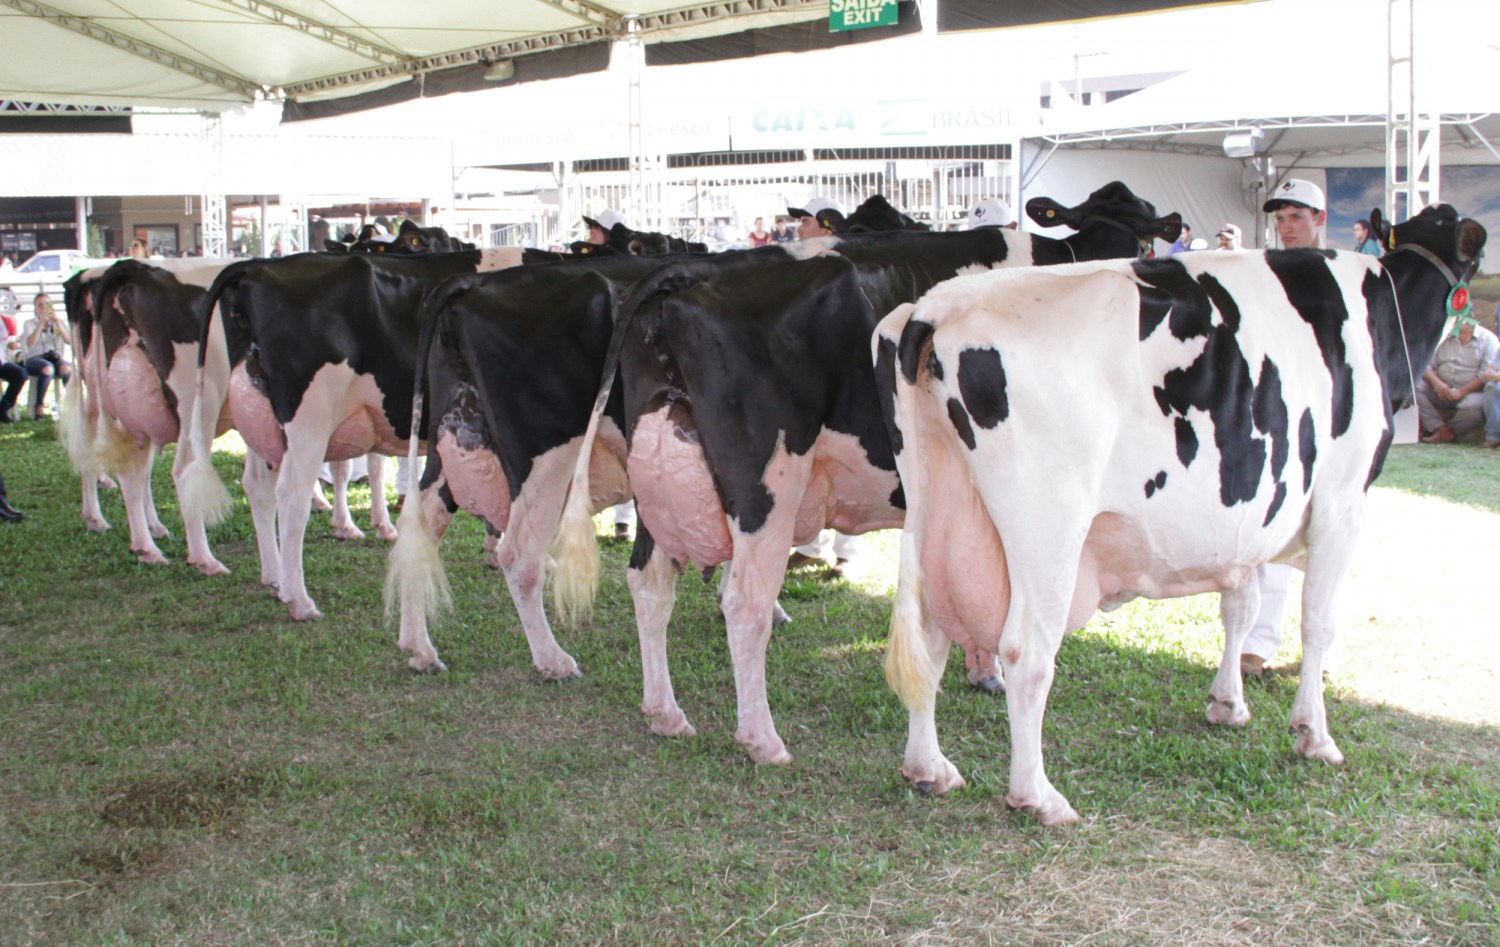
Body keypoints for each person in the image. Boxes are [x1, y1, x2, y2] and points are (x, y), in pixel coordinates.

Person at [1241, 178, 1329, 677]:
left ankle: (1319, 642)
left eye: (1297, 216)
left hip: (1325, 417)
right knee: (1270, 525)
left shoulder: (1337, 274)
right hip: (1274, 410)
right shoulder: (1265, 270)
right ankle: (1258, 640)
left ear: (1319, 218)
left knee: (1327, 529)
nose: (1287, 227)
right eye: (1281, 218)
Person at [1416, 312, 1500, 444]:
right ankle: (1439, 428)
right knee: (1413, 387)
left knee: (1473, 407)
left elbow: (1485, 375)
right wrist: (1437, 384)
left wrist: (1461, 392)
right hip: (1441, 389)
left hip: (1472, 391)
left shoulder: (1489, 339)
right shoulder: (1442, 335)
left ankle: (1451, 431)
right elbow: (1425, 365)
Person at [21, 293, 70, 419]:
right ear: (35, 308)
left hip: (55, 357)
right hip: (35, 359)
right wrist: (41, 324)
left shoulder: (57, 323)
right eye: (40, 305)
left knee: (66, 368)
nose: (43, 308)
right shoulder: (29, 323)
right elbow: (30, 343)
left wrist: (58, 324)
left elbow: (69, 340)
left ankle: (72, 404)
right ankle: (39, 406)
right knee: (47, 368)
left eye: (46, 305)